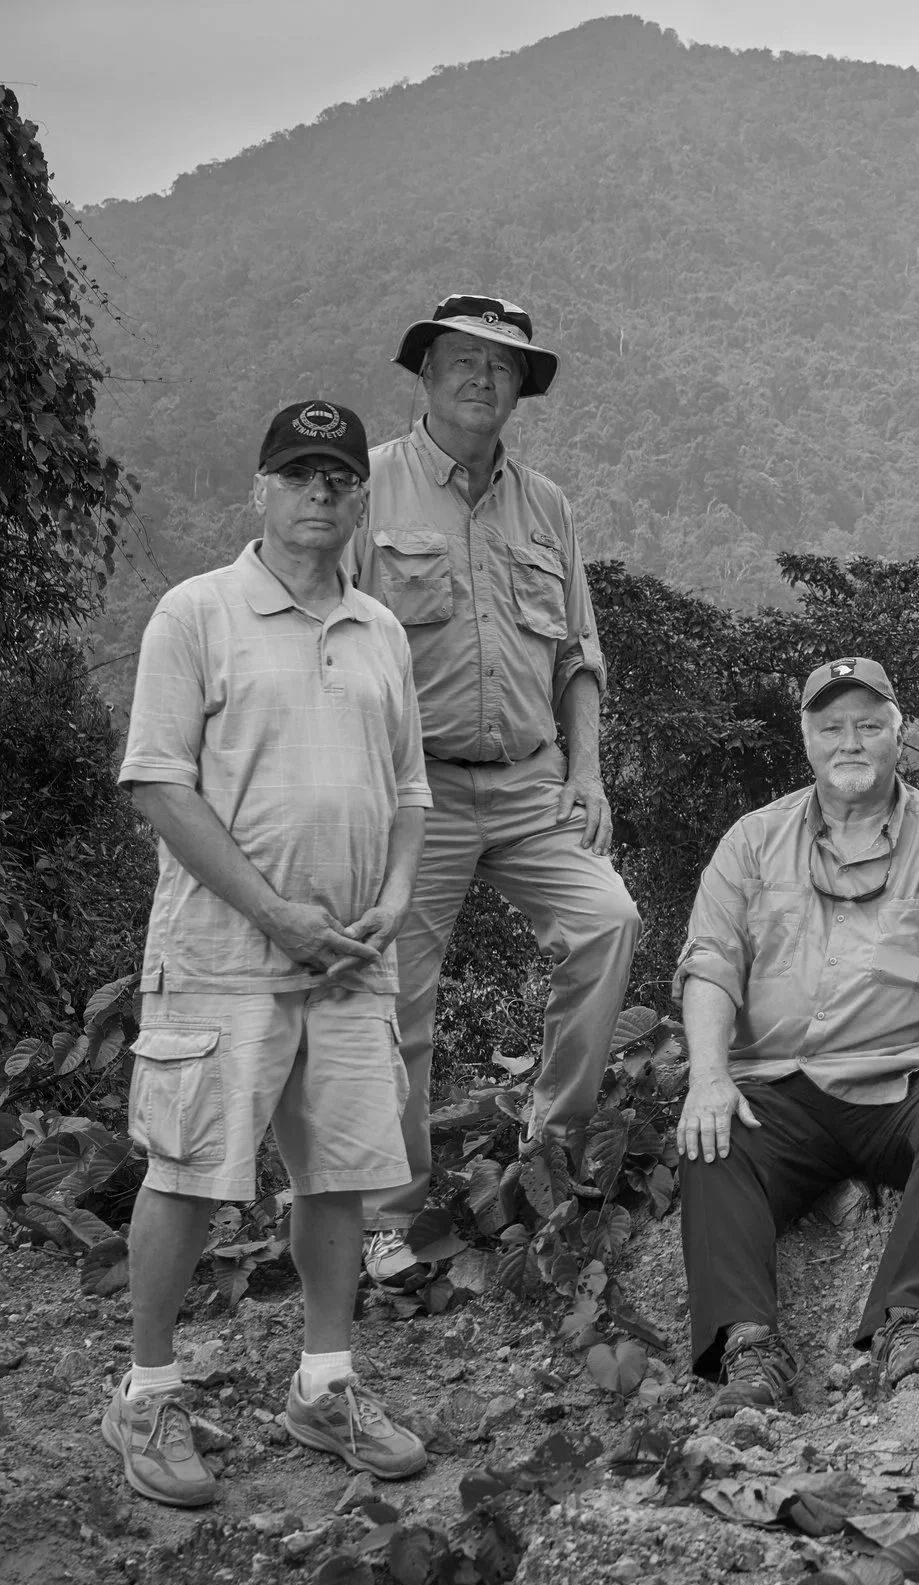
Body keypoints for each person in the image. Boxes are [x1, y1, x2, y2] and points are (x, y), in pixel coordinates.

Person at [110, 401, 434, 1506]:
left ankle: (326, 1380)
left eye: (339, 475)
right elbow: (158, 781)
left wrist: (390, 898)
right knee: (190, 1168)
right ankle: (148, 1391)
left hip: (349, 958)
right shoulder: (196, 613)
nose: (321, 491)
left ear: (358, 496)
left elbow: (409, 790)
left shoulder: (381, 629)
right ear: (260, 488)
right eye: (298, 472)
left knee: (338, 1173)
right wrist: (273, 909)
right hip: (221, 954)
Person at [352, 294, 640, 1289]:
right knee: (397, 998)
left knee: (606, 922)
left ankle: (547, 1146)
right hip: (410, 787)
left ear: (522, 387)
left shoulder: (547, 505)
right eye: (463, 360)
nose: (482, 378)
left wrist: (586, 770)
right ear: (425, 372)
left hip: (527, 782)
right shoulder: (369, 489)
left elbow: (578, 655)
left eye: (503, 366)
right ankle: (387, 1216)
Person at [673, 658, 919, 1408]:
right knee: (710, 1138)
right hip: (781, 1089)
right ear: (806, 738)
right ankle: (748, 1345)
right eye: (831, 727)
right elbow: (711, 965)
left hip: (905, 1080)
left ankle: (911, 1321)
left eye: (867, 725)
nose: (849, 742)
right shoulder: (753, 841)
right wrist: (708, 1076)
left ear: (899, 732)